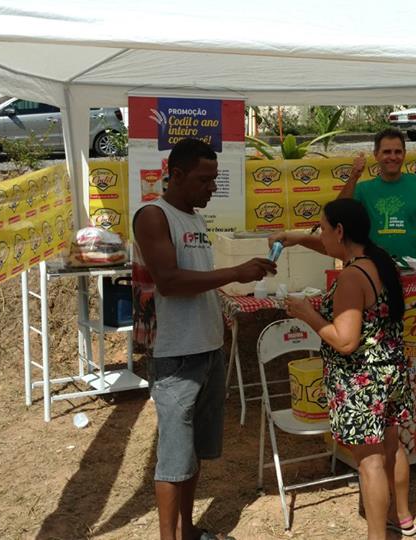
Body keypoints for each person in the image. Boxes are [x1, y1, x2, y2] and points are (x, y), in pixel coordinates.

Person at [133, 138, 277, 540]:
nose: (212, 187)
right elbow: (170, 281)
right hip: (175, 354)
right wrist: (235, 273)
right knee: (173, 458)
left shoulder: (194, 219)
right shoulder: (153, 216)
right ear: (176, 174)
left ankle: (187, 530)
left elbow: (198, 280)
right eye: (204, 179)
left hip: (209, 346)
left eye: (215, 179)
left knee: (194, 451)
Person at [271, 199, 416, 540]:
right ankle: (402, 516)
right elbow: (330, 248)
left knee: (370, 461)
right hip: (389, 371)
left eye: (322, 228)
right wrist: (296, 238)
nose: (320, 236)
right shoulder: (379, 260)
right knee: (392, 446)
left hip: (362, 381)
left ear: (339, 231)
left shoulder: (352, 277)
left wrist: (307, 313)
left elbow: (345, 340)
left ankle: (377, 536)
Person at [338, 127, 416, 261]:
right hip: (373, 269)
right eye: (387, 152)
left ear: (404, 154)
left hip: (414, 269)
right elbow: (337, 215)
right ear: (376, 154)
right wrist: (354, 176)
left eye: (398, 152)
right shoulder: (362, 189)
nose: (393, 157)